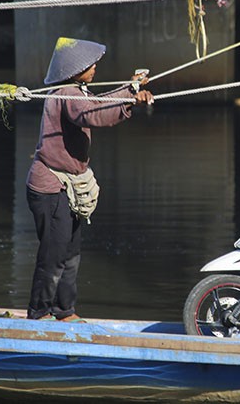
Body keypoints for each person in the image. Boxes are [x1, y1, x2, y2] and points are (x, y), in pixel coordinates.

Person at [26, 37, 153, 322]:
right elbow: (93, 115)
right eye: (90, 64)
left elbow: (96, 103)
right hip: (51, 187)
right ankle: (39, 313)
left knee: (70, 254)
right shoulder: (67, 94)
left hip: (66, 187)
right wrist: (131, 98)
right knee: (54, 253)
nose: (95, 67)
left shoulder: (76, 91)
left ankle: (64, 311)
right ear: (74, 69)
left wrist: (129, 89)